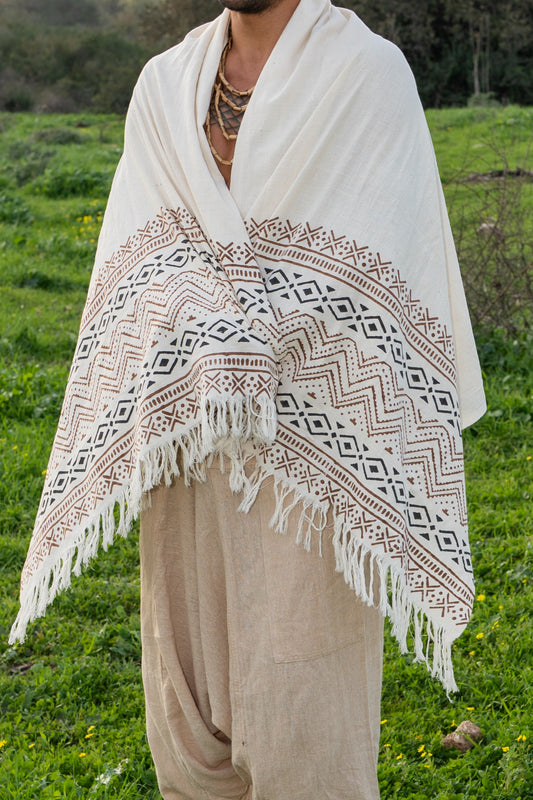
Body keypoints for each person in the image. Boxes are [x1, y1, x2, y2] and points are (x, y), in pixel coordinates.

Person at [11, 1, 486, 798]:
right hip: (185, 449)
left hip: (310, 464)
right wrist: (206, 325)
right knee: (187, 744)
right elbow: (138, 271)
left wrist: (240, 327)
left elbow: (376, 274)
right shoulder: (164, 88)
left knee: (307, 736)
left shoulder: (366, 78)